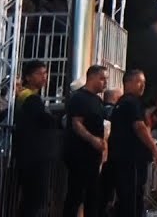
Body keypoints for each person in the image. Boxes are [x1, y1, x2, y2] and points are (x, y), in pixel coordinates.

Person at [108, 70, 157, 217]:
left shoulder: (121, 103)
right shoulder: (131, 102)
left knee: (127, 197)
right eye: (139, 82)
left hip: (122, 158)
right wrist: (154, 148)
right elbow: (139, 127)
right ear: (128, 82)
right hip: (131, 159)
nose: (142, 86)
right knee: (132, 198)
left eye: (144, 82)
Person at [63, 65, 108, 217]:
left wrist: (102, 144)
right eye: (102, 78)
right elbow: (77, 123)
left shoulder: (97, 100)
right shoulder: (79, 98)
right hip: (79, 155)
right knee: (75, 195)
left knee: (92, 196)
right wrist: (92, 139)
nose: (105, 82)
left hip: (93, 156)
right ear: (91, 78)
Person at [14, 60, 55, 217]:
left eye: (45, 73)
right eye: (40, 73)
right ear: (28, 77)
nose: (44, 77)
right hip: (33, 155)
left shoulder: (27, 96)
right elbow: (46, 121)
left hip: (28, 154)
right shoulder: (30, 98)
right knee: (35, 198)